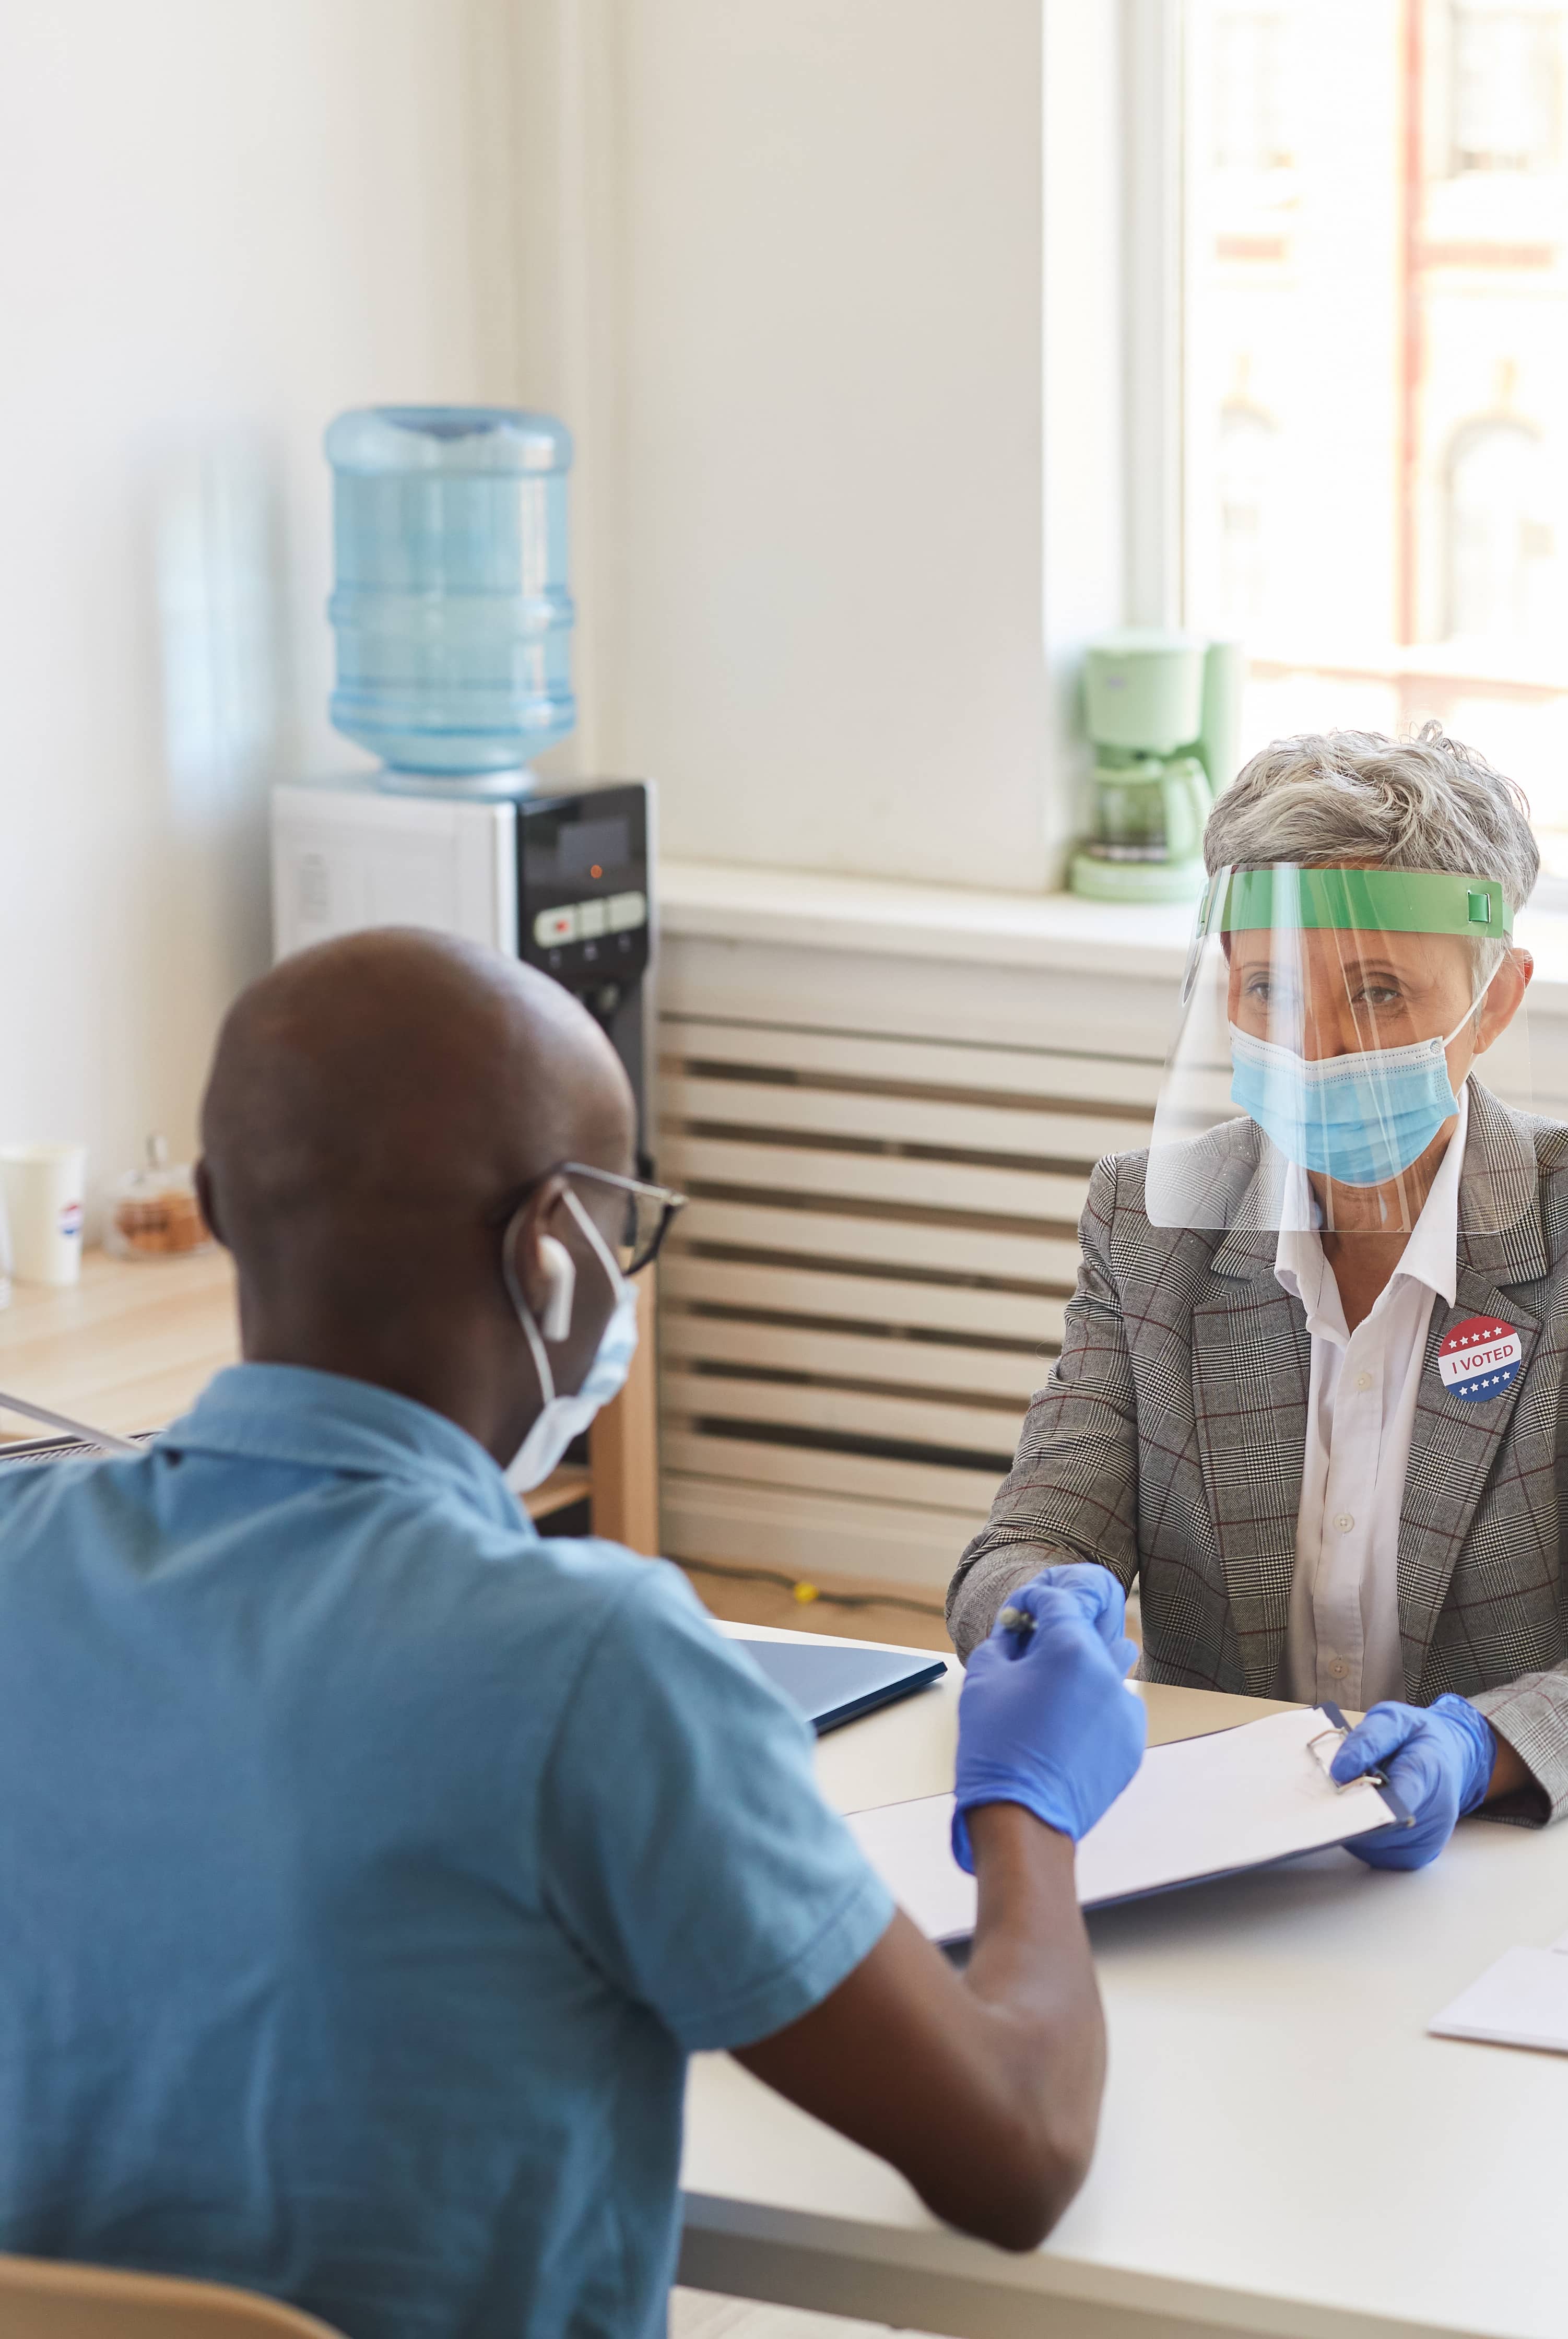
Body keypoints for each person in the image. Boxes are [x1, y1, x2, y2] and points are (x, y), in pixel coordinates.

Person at [0, 930, 1149, 2338]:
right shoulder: (591, 1661)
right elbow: (1018, 2152)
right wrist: (1032, 1811)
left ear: (217, 1207)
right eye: (621, 1230)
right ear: (553, 1252)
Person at [948, 724, 1568, 1862]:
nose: (1322, 1046)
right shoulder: (1151, 1220)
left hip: (1514, 1847)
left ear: (1494, 1003)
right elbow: (1039, 1528)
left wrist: (1489, 1749)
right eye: (1271, 988)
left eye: (1381, 993)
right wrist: (1035, 1613)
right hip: (1217, 1845)